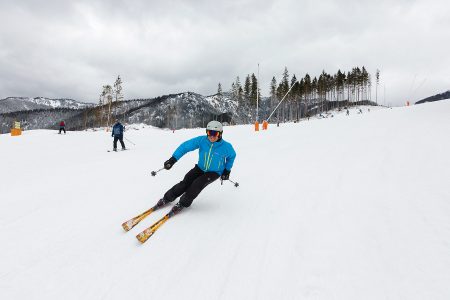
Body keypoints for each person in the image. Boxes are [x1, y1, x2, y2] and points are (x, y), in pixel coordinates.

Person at [155, 121, 236, 216]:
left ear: (220, 134)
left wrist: (227, 170)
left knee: (196, 185)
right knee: (185, 182)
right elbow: (185, 146)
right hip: (200, 168)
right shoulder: (202, 140)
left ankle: (182, 203)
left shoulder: (226, 147)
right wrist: (173, 159)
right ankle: (167, 198)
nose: (212, 136)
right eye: (210, 133)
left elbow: (232, 156)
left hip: (214, 172)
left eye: (215, 133)